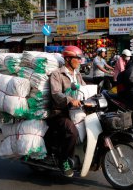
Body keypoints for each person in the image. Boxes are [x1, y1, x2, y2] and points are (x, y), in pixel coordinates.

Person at [48, 46, 85, 177]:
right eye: (77, 58)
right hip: (59, 112)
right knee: (72, 132)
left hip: (76, 112)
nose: (80, 61)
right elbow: (56, 94)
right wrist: (69, 100)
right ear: (68, 59)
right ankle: (64, 160)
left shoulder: (78, 74)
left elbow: (84, 89)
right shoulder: (57, 74)